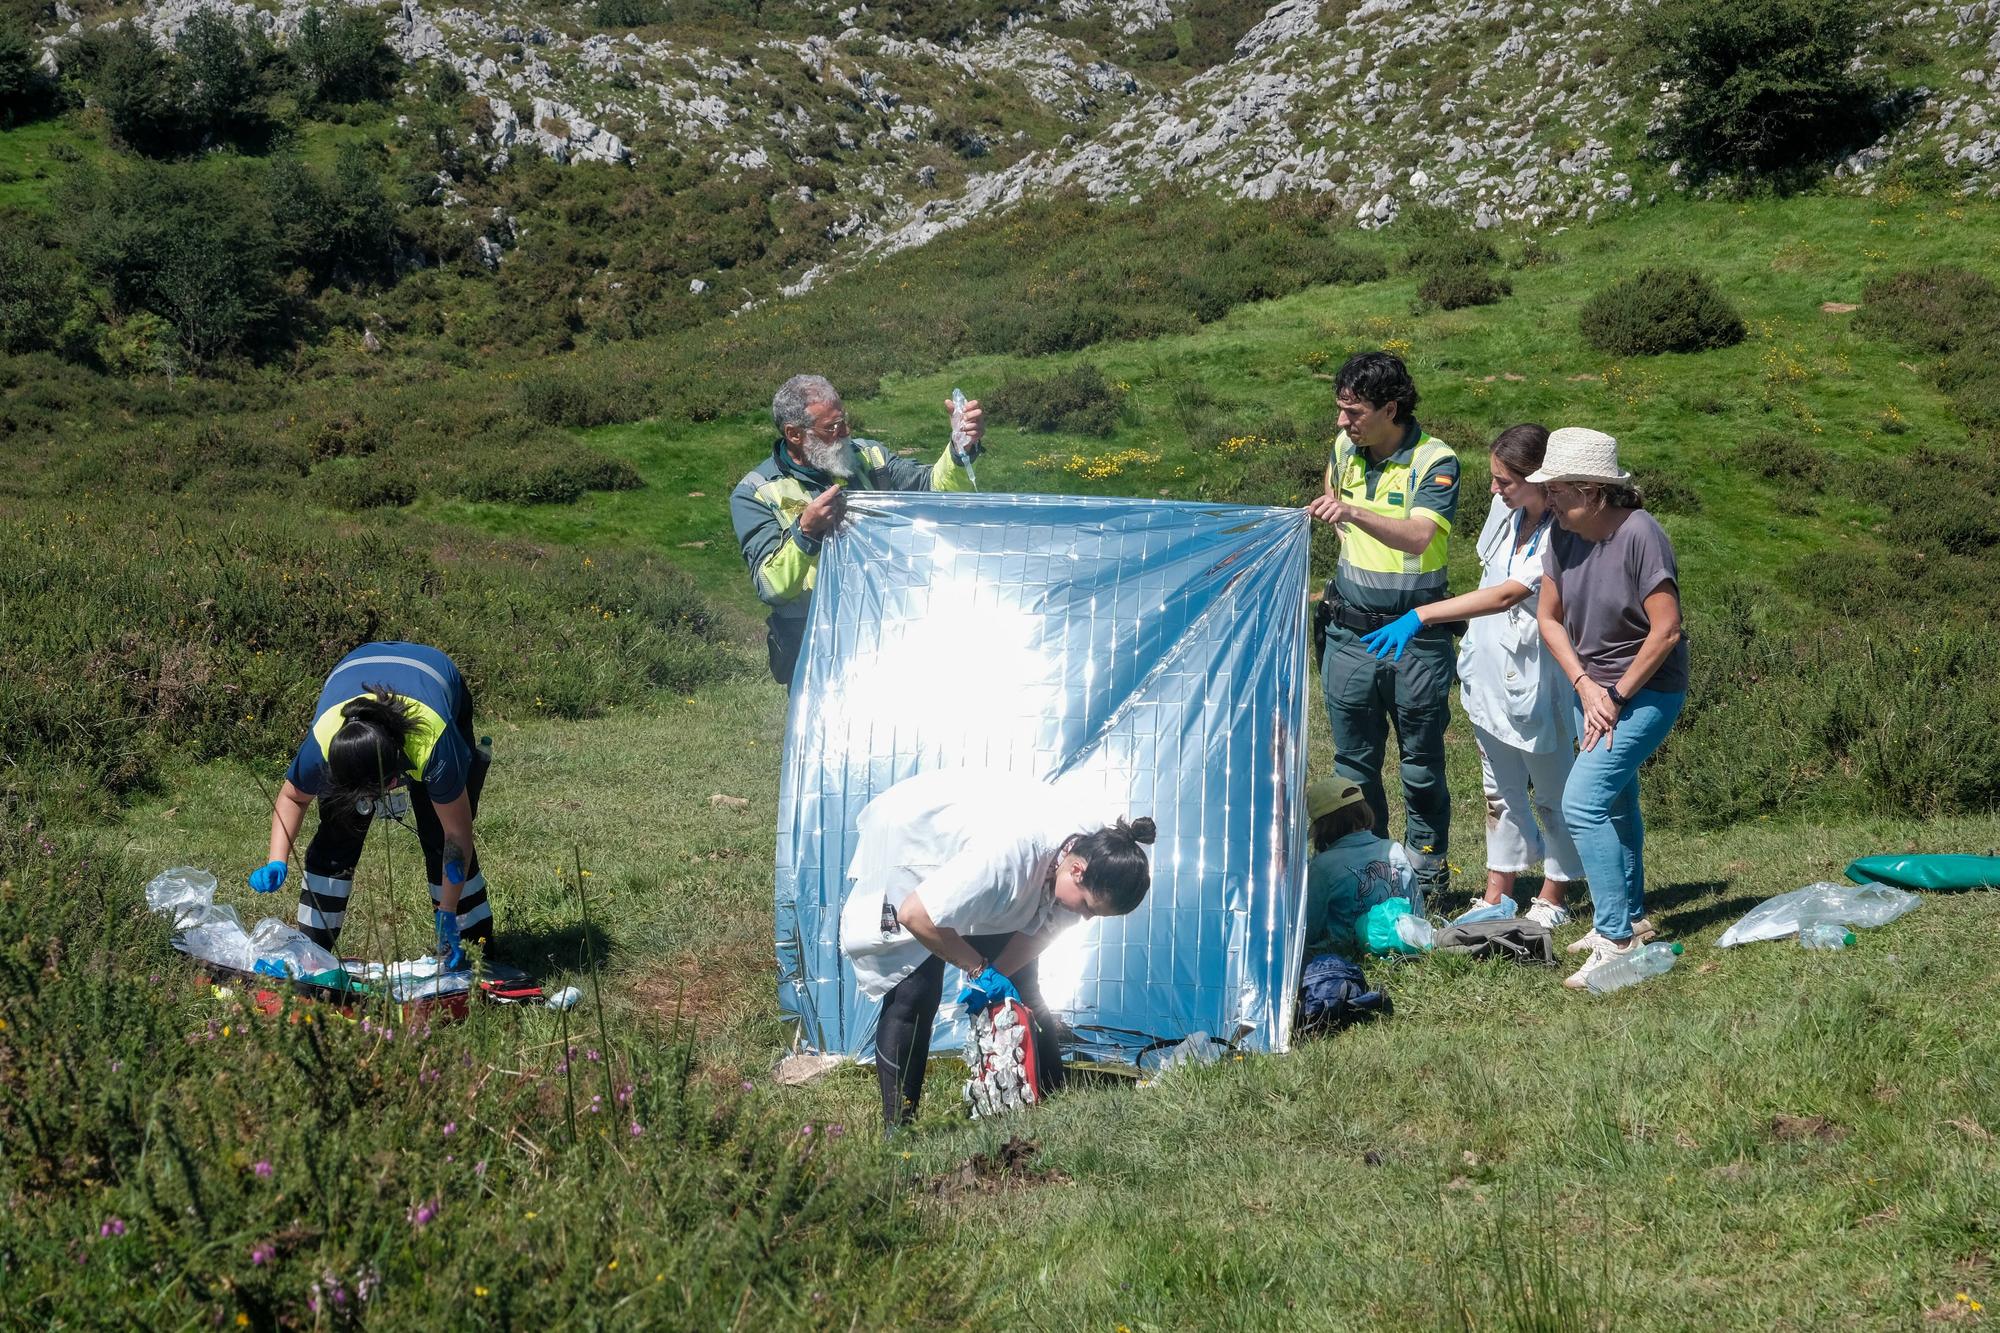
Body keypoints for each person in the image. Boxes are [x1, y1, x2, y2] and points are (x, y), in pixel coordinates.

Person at [1356, 424, 1584, 930]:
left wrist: (1422, 615)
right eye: (1495, 479)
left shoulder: (1564, 533)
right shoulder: (1505, 512)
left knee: (1550, 792)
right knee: (1497, 790)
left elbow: (1507, 593)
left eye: (1505, 481)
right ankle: (1497, 891)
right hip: (1487, 669)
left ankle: (1553, 893)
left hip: (1536, 673)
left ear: (1539, 480)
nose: (1494, 490)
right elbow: (1488, 574)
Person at [838, 769, 1155, 1129]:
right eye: (1085, 907)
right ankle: (900, 1130)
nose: (1084, 918)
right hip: (915, 842)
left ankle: (1049, 1104)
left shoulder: (1102, 853)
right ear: (1077, 870)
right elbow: (916, 914)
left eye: (1094, 914)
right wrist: (978, 969)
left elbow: (1038, 936)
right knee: (915, 991)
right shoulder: (1007, 861)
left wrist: (997, 975)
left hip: (984, 847)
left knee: (1022, 986)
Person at [1529, 428, 1690, 991]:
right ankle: (1632, 918)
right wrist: (1585, 685)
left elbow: (1666, 631)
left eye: (1558, 489)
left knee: (1584, 801)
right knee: (1615, 802)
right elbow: (1549, 617)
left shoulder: (1642, 534)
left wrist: (1615, 696)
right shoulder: (1561, 534)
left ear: (1594, 490)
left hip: (1646, 691)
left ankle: (1615, 938)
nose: (1548, 499)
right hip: (1592, 692)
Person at [1306, 350, 1461, 897]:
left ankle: (1427, 875)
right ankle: (1365, 872)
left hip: (1413, 637)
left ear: (1390, 408)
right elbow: (1331, 498)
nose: (1342, 423)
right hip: (1348, 634)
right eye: (1340, 410)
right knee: (1353, 766)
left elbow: (1420, 536)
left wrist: (1351, 513)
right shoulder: (1345, 449)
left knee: (1420, 766)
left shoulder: (1436, 461)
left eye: (1353, 412)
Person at [730, 374, 986, 690]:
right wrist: (805, 532)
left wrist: (959, 450)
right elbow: (771, 588)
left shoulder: (869, 457)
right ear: (794, 434)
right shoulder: (754, 493)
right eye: (832, 429)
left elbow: (933, 490)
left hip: (889, 630)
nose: (846, 433)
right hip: (814, 648)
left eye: (844, 422)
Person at [247, 642, 491, 969]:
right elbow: (292, 797)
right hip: (355, 668)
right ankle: (312, 950)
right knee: (338, 832)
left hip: (434, 676)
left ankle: (472, 943)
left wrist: (447, 912)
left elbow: (456, 835)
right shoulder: (323, 746)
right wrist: (277, 860)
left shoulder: (434, 746)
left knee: (438, 832)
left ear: (395, 777)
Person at [1302, 776, 1422, 955]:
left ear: (1321, 825)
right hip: (1399, 942)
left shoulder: (1322, 867)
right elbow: (1416, 907)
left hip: (1343, 952)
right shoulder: (1394, 849)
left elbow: (1308, 928)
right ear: (1365, 811)